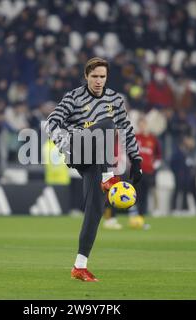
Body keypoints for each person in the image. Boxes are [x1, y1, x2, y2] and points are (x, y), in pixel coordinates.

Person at [45, 57, 142, 282]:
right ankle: (109, 178)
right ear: (86, 76)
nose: (98, 81)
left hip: (96, 157)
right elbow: (51, 121)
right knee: (107, 125)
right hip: (76, 146)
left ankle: (80, 266)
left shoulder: (115, 99)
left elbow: (126, 129)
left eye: (102, 76)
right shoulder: (74, 97)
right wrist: (64, 143)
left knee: (95, 209)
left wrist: (136, 160)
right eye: (94, 76)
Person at [170, 135, 196, 214]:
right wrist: (177, 172)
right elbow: (173, 163)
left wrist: (195, 171)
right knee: (178, 191)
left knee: (188, 193)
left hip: (190, 176)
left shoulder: (192, 151)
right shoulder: (178, 152)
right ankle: (174, 209)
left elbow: (195, 163)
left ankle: (189, 209)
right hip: (181, 175)